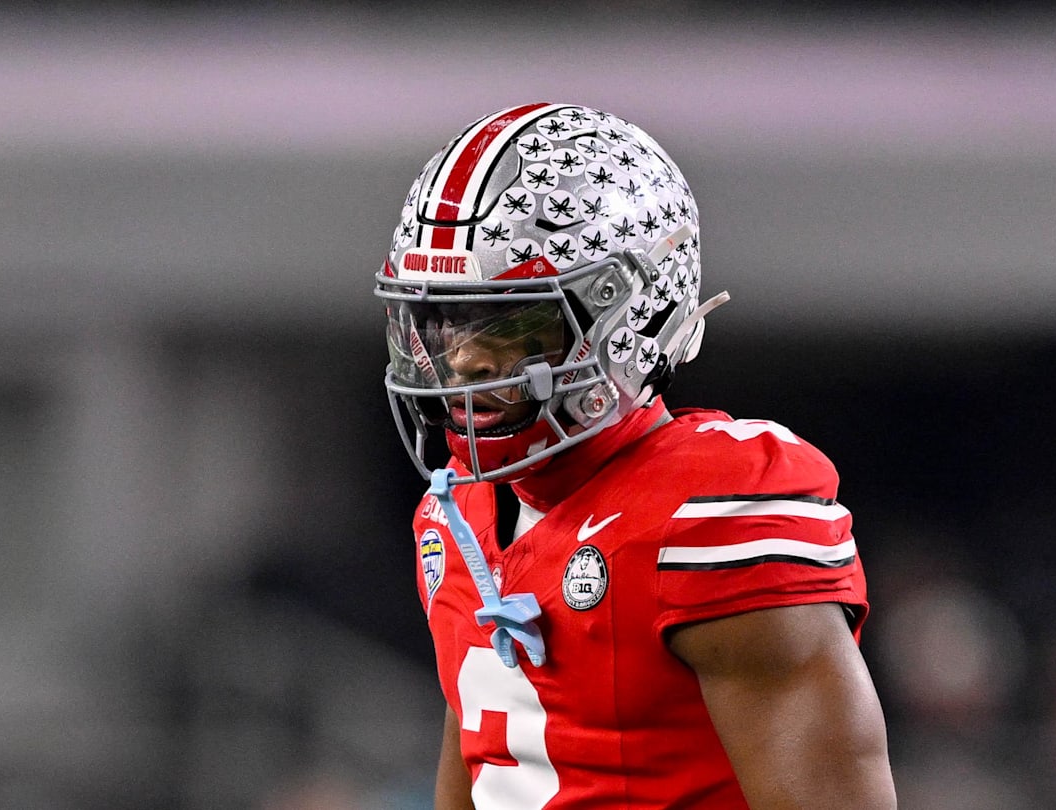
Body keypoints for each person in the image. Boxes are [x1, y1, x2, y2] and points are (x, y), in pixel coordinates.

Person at [373, 102, 896, 809]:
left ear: (632, 319)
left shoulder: (710, 511)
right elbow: (489, 757)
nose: (462, 360)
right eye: (442, 322)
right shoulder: (457, 510)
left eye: (510, 324)